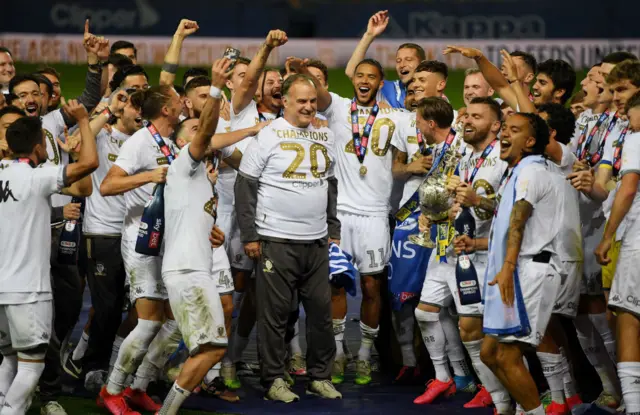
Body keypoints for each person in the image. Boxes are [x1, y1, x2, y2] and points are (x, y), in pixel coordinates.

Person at [235, 73, 341, 402]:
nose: (309, 107)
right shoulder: (267, 136)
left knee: (321, 315)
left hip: (316, 241)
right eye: (302, 101)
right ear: (285, 101)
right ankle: (274, 379)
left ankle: (319, 376)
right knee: (275, 315)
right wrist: (250, 235)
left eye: (313, 101)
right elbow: (245, 186)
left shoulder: (325, 135)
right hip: (276, 240)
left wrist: (333, 229)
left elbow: (330, 185)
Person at [0, 100, 98, 415]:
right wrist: (84, 121)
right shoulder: (37, 177)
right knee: (31, 366)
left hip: (0, 288)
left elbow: (82, 187)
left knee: (8, 359)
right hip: (28, 290)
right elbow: (90, 164)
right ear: (39, 145)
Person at [158, 58, 233, 415]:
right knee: (213, 348)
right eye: (190, 127)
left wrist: (211, 234)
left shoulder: (201, 177)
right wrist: (216, 88)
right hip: (188, 272)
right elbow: (204, 132)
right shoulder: (184, 163)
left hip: (193, 268)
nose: (198, 131)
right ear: (182, 141)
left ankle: (161, 400)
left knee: (210, 346)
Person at [344, 10, 425, 108]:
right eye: (398, 61)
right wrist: (369, 35)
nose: (402, 64)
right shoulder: (388, 88)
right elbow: (351, 72)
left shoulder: (434, 94)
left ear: (422, 64)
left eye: (408, 59)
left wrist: (393, 113)